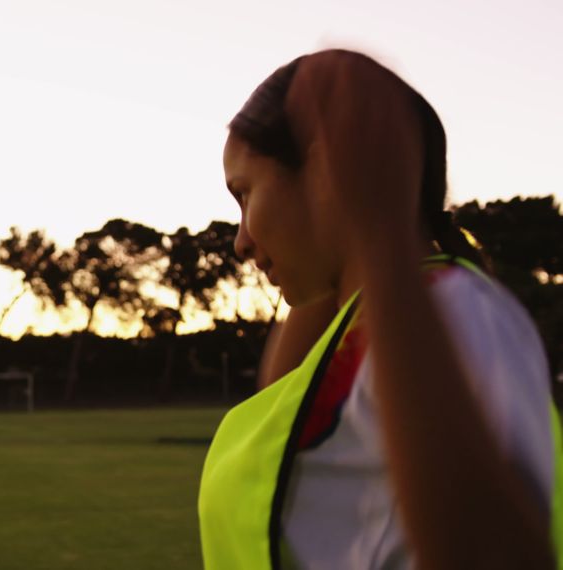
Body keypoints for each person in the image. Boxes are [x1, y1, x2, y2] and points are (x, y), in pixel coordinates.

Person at [197, 50, 562, 569]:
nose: (241, 242)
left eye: (244, 194)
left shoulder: (457, 313)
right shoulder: (371, 319)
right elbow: (276, 410)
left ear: (326, 173)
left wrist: (368, 212)